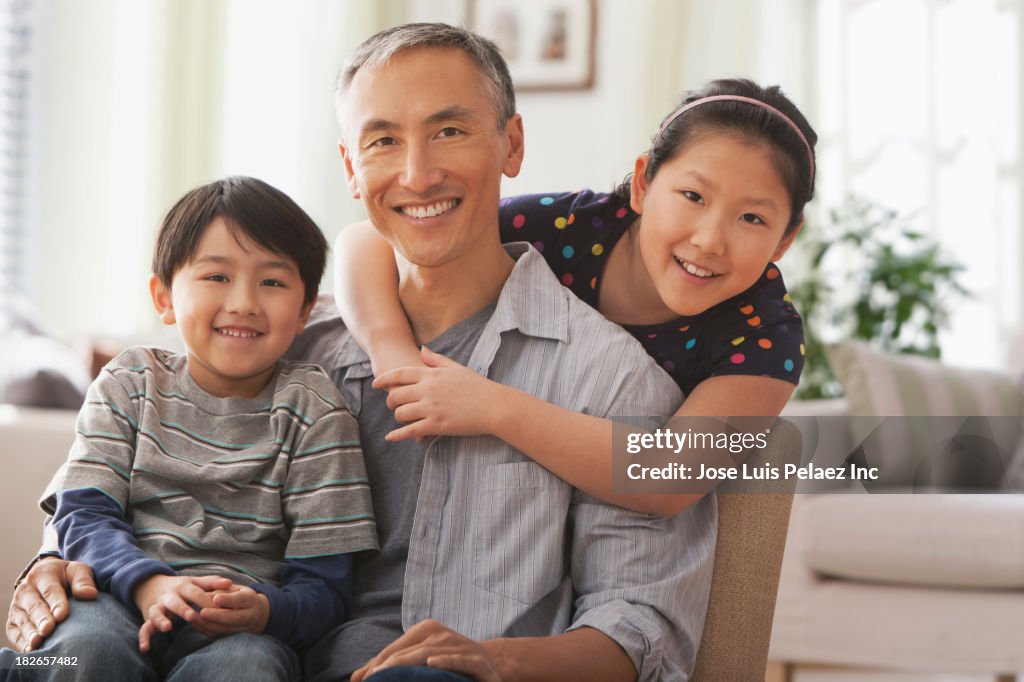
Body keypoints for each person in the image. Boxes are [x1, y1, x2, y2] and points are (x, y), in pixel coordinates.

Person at [6, 23, 716, 682]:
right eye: (382, 142)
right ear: (351, 168)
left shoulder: (608, 379)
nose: (417, 173)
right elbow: (103, 497)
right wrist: (52, 563)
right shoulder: (289, 347)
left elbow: (641, 630)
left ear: (512, 144)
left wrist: (494, 659)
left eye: (449, 130)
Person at [335, 77, 816, 516]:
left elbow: (668, 480)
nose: (710, 240)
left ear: (784, 240)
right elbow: (370, 240)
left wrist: (493, 407)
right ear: (645, 183)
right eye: (693, 196)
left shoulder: (766, 332)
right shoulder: (568, 227)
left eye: (752, 218)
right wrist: (393, 355)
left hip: (621, 530)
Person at [0, 177, 378, 681]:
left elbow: (325, 588)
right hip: (112, 597)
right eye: (216, 277)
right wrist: (147, 583)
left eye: (272, 282)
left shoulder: (318, 413)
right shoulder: (128, 384)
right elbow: (83, 517)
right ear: (164, 296)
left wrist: (266, 611)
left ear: (306, 310)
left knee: (248, 670)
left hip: (237, 632)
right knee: (81, 653)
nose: (244, 301)